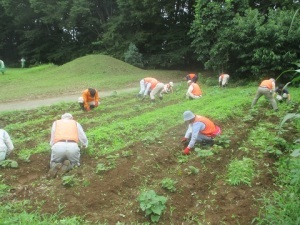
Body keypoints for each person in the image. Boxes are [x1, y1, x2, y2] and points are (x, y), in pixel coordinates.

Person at [48, 113, 88, 178]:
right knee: (75, 164)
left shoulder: (56, 123)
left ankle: (57, 165)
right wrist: (84, 145)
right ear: (71, 118)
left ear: (61, 118)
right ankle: (68, 167)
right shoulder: (75, 123)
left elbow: (52, 138)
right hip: (72, 146)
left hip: (58, 146)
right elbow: (83, 137)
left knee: (53, 162)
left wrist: (52, 146)